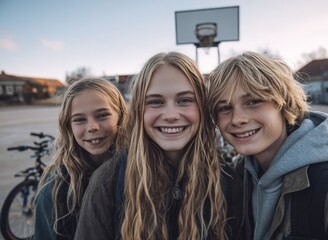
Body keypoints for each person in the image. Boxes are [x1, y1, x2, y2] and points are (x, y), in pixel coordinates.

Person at [74, 52, 243, 240]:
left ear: (202, 107)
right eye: (155, 102)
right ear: (139, 111)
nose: (171, 115)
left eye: (184, 100)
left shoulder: (228, 180)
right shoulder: (108, 182)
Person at [206, 51, 328, 240]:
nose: (238, 119)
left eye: (253, 101)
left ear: (283, 104)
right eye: (225, 108)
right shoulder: (238, 179)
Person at [34, 77, 128, 240]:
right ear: (68, 125)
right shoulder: (54, 191)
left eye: (102, 115)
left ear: (120, 116)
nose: (92, 127)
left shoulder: (141, 171)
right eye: (80, 119)